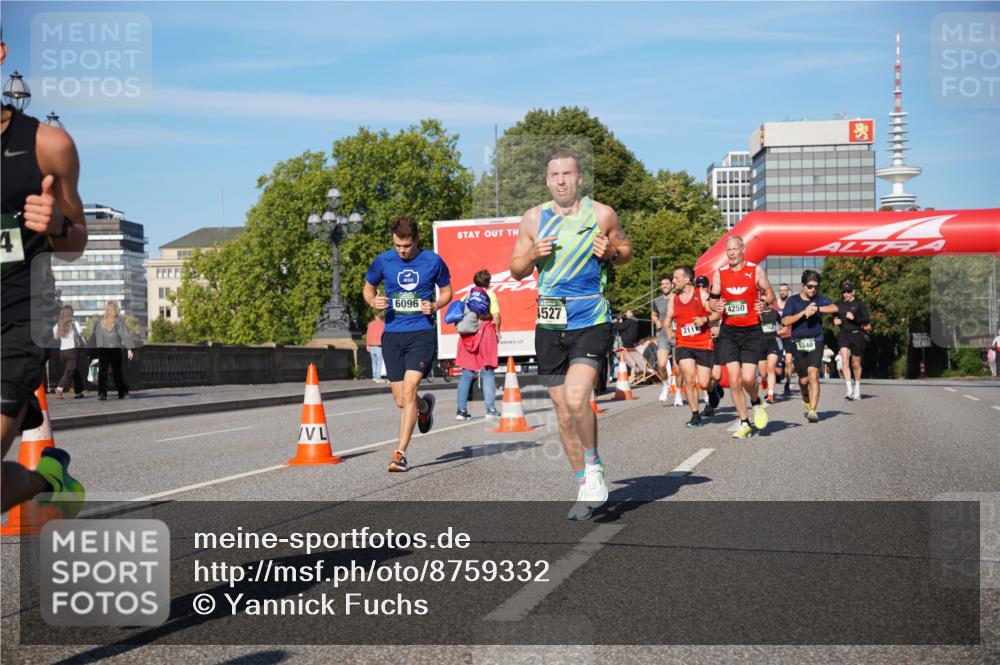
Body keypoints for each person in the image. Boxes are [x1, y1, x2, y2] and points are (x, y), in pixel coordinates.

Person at [509, 147, 631, 521]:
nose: (561, 181)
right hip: (549, 323)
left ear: (579, 179)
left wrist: (611, 250)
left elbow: (626, 250)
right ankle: (585, 484)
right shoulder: (533, 219)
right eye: (555, 175)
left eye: (568, 174)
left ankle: (593, 467)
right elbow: (514, 268)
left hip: (590, 317)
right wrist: (531, 257)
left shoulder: (601, 214)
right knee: (563, 414)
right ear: (547, 181)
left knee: (578, 398)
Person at [2, 33, 88, 516]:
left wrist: (56, 224)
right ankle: (47, 478)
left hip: (18, 321)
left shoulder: (46, 144)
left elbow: (77, 241)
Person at [364, 216, 452, 472]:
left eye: (406, 246)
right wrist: (373, 301)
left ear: (416, 241)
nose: (401, 251)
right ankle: (425, 407)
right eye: (397, 245)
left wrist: (435, 305)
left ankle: (399, 453)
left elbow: (447, 291)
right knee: (403, 401)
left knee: (410, 389)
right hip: (392, 335)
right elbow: (368, 288)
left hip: (420, 334)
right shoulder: (383, 261)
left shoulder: (432, 261)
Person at [709, 235, 774, 439]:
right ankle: (744, 421)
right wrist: (715, 305)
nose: (731, 253)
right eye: (728, 250)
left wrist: (764, 302)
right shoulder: (720, 274)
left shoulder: (755, 270)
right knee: (735, 381)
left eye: (734, 249)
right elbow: (712, 301)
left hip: (752, 331)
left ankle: (755, 401)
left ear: (743, 249)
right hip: (729, 332)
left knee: (747, 378)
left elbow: (769, 293)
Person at [663, 265, 719, 428]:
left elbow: (716, 313)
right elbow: (667, 319)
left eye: (676, 278)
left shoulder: (700, 294)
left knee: (704, 382)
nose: (673, 281)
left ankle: (712, 389)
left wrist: (705, 320)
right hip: (684, 343)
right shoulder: (674, 299)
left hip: (702, 343)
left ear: (687, 280)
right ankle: (695, 415)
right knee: (689, 377)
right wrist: (667, 329)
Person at [781, 270, 839, 423]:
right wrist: (803, 313)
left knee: (813, 374)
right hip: (798, 342)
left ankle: (813, 411)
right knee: (803, 380)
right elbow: (786, 321)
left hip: (816, 340)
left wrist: (818, 309)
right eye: (809, 286)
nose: (813, 289)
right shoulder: (793, 301)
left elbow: (835, 308)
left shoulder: (819, 300)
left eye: (815, 287)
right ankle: (805, 396)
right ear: (802, 286)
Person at [455, 269, 501, 421]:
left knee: (467, 373)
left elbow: (458, 313)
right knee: (487, 371)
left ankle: (461, 411)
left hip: (468, 334)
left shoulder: (467, 295)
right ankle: (491, 410)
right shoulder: (490, 295)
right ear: (488, 282)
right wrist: (498, 331)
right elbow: (496, 315)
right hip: (486, 332)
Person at [90, 301, 136, 400]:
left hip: (102, 349)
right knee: (117, 372)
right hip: (115, 349)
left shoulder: (99, 321)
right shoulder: (118, 321)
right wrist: (129, 348)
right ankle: (122, 392)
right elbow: (125, 335)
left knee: (102, 372)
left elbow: (95, 336)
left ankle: (102, 393)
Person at [834, 281, 870, 400]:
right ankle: (849, 389)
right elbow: (833, 316)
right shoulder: (838, 303)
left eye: (848, 291)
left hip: (856, 334)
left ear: (853, 291)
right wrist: (835, 320)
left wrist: (855, 318)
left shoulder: (859, 303)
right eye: (844, 292)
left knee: (856, 363)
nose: (846, 294)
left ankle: (857, 389)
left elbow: (866, 319)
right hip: (843, 334)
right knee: (844, 360)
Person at [650, 275, 675, 402]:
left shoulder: (677, 298)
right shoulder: (657, 300)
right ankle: (666, 385)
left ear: (672, 284)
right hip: (663, 335)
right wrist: (656, 321)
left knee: (679, 369)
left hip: (677, 334)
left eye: (667, 283)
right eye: (662, 284)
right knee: (661, 364)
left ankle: (678, 394)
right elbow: (653, 315)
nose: (664, 285)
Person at [756, 294, 785, 404]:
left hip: (772, 343)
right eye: (760, 300)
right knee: (763, 373)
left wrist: (778, 332)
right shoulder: (755, 314)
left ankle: (770, 395)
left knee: (771, 368)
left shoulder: (774, 313)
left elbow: (784, 326)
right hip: (760, 344)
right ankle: (764, 380)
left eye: (763, 300)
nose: (762, 302)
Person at [52, 305, 85, 399]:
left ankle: (78, 392)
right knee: (69, 372)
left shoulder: (57, 325)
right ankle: (59, 389)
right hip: (72, 351)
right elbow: (81, 336)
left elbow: (55, 337)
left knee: (73, 371)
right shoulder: (74, 323)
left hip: (62, 352)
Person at [774, 282, 794, 397]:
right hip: (776, 336)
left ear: (788, 291)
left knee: (788, 361)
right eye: (781, 290)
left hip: (789, 335)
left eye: (785, 290)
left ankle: (787, 384)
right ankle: (774, 380)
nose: (782, 292)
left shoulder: (791, 304)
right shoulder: (774, 304)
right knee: (775, 366)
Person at [366, 312, 385, 383]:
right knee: (379, 361)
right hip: (379, 345)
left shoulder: (370, 324)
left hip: (371, 345)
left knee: (374, 361)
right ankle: (378, 377)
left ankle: (374, 376)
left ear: (375, 316)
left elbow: (368, 335)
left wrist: (367, 345)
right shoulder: (383, 324)